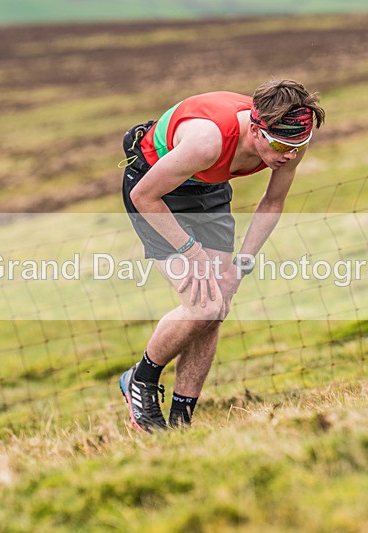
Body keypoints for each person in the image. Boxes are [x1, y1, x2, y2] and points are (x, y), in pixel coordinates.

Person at [118, 79, 325, 432]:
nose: (289, 155)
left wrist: (240, 267)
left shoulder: (292, 136)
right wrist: (190, 251)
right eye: (280, 146)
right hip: (155, 188)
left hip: (207, 186)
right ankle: (141, 379)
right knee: (204, 305)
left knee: (217, 306)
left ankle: (181, 422)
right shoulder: (207, 141)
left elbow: (272, 202)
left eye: (298, 146)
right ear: (256, 130)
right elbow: (143, 196)